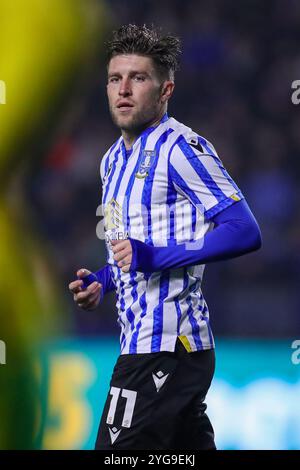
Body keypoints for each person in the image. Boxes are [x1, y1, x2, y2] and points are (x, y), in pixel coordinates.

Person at [69, 24, 262, 450]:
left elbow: (244, 230)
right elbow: (131, 247)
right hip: (140, 338)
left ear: (165, 90)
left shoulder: (181, 148)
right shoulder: (110, 161)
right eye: (115, 79)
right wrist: (103, 278)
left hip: (166, 344)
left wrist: (155, 256)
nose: (124, 89)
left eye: (138, 78)